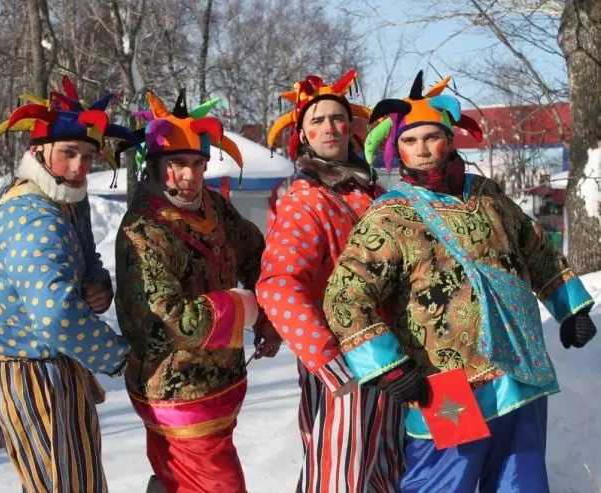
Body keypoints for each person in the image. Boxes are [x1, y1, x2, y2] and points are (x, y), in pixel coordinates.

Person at [323, 71, 597, 492]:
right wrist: (387, 367)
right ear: (398, 151)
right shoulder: (389, 215)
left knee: (520, 479)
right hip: (444, 380)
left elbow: (535, 249)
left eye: (431, 137)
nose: (422, 150)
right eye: (410, 142)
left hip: (518, 364)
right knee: (444, 481)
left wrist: (570, 307)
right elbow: (346, 296)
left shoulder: (487, 194)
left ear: (449, 139)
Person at [0, 76, 137, 492]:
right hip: (35, 377)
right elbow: (58, 316)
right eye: (69, 153)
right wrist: (118, 355)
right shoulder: (35, 217)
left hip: (49, 369)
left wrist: (97, 283)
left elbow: (82, 259)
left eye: (88, 155)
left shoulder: (60, 197)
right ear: (38, 151)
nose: (80, 166)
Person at [114, 89, 281, 493]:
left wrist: (273, 313)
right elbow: (162, 323)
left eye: (196, 164)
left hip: (221, 382)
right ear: (154, 167)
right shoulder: (142, 232)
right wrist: (244, 307)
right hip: (177, 392)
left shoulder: (212, 206)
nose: (189, 177)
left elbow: (253, 251)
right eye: (176, 165)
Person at [257, 70, 405, 493]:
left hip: (393, 354)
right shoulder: (307, 199)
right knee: (342, 475)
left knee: (387, 466)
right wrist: (326, 359)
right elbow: (279, 283)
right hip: (347, 357)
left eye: (338, 118)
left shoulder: (372, 193)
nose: (329, 128)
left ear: (352, 127)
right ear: (302, 135)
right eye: (317, 120)